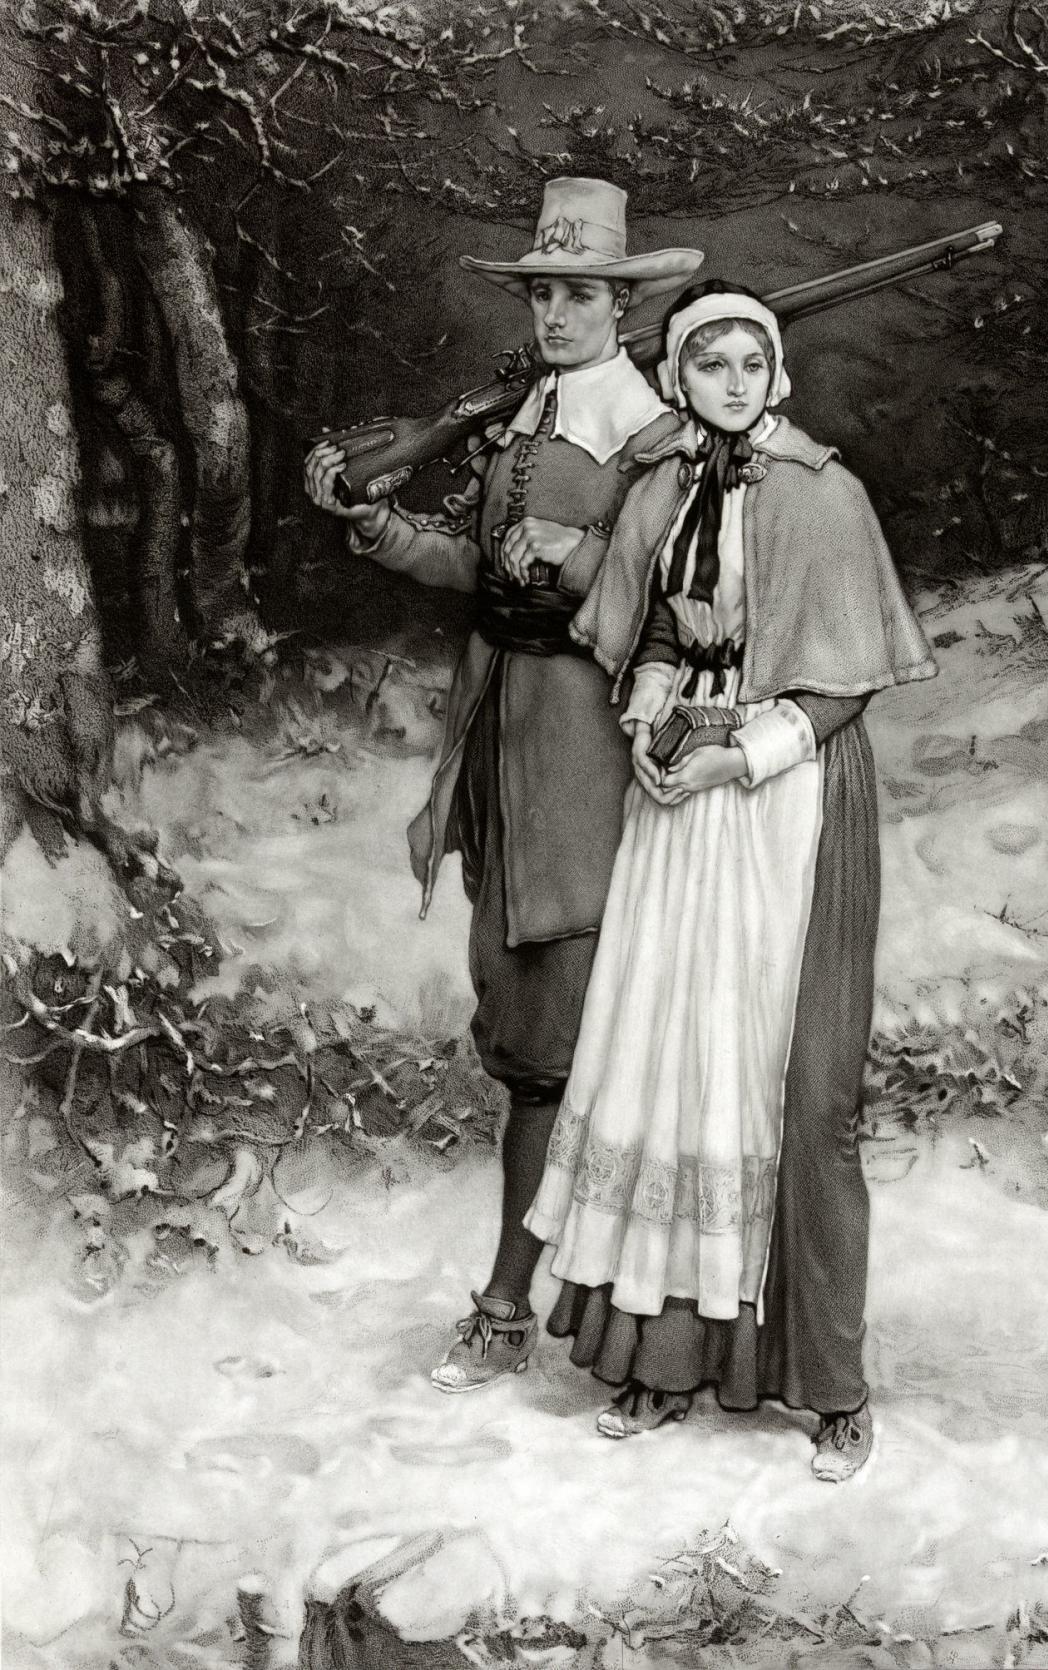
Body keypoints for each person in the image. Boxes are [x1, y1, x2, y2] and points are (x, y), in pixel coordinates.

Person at [524, 280, 938, 1480]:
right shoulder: (661, 487)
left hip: (785, 802)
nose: (736, 382)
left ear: (779, 374)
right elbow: (654, 623)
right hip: (682, 809)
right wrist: (652, 706)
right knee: (670, 1066)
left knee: (791, 1090)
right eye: (710, 365)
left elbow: (838, 685)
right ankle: (663, 1361)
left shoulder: (824, 493)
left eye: (752, 362)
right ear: (680, 380)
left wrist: (733, 756)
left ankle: (828, 1386)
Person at [302, 179, 702, 1392]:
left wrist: (583, 566)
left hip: (593, 745)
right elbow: (481, 569)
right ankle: (542, 1293)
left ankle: (524, 1301)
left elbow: (686, 612)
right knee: (523, 1018)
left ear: (620, 305)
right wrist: (375, 524)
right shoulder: (524, 413)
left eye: (579, 293)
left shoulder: (659, 434)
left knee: (569, 1030)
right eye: (543, 292)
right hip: (501, 730)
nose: (557, 312)